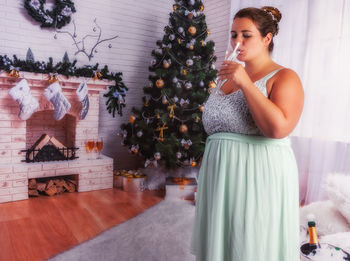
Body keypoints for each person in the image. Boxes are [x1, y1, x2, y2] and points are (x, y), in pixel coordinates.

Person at [190, 6, 304, 261]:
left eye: (246, 35)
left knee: (251, 243)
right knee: (223, 245)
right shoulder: (224, 78)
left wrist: (245, 82)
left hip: (257, 175)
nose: (237, 41)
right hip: (220, 176)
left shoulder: (285, 77)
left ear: (267, 38)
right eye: (233, 34)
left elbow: (278, 128)